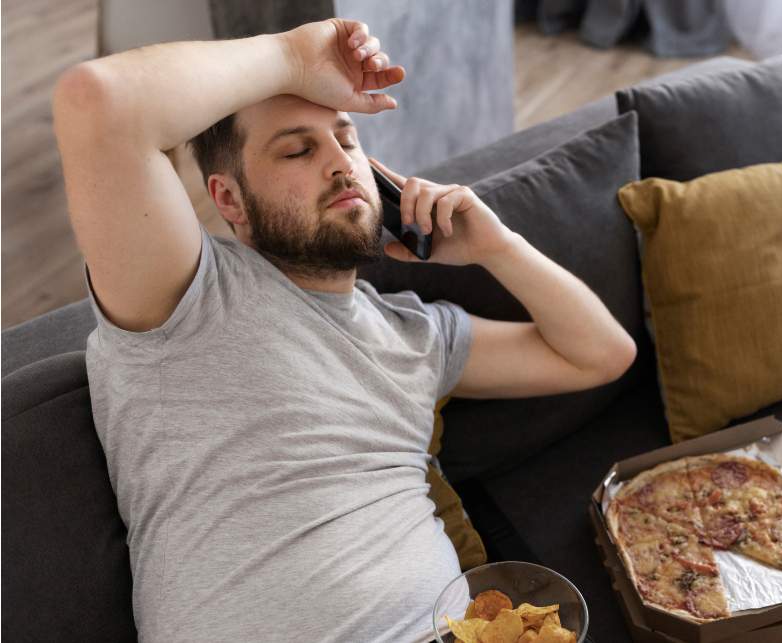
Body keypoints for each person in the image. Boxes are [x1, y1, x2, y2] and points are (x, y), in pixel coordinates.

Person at [51, 18, 636, 643]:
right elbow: (96, 101)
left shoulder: (416, 334)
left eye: (347, 140)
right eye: (298, 150)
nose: (338, 164)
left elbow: (601, 354)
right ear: (230, 201)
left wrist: (500, 247)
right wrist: (291, 57)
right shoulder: (186, 295)